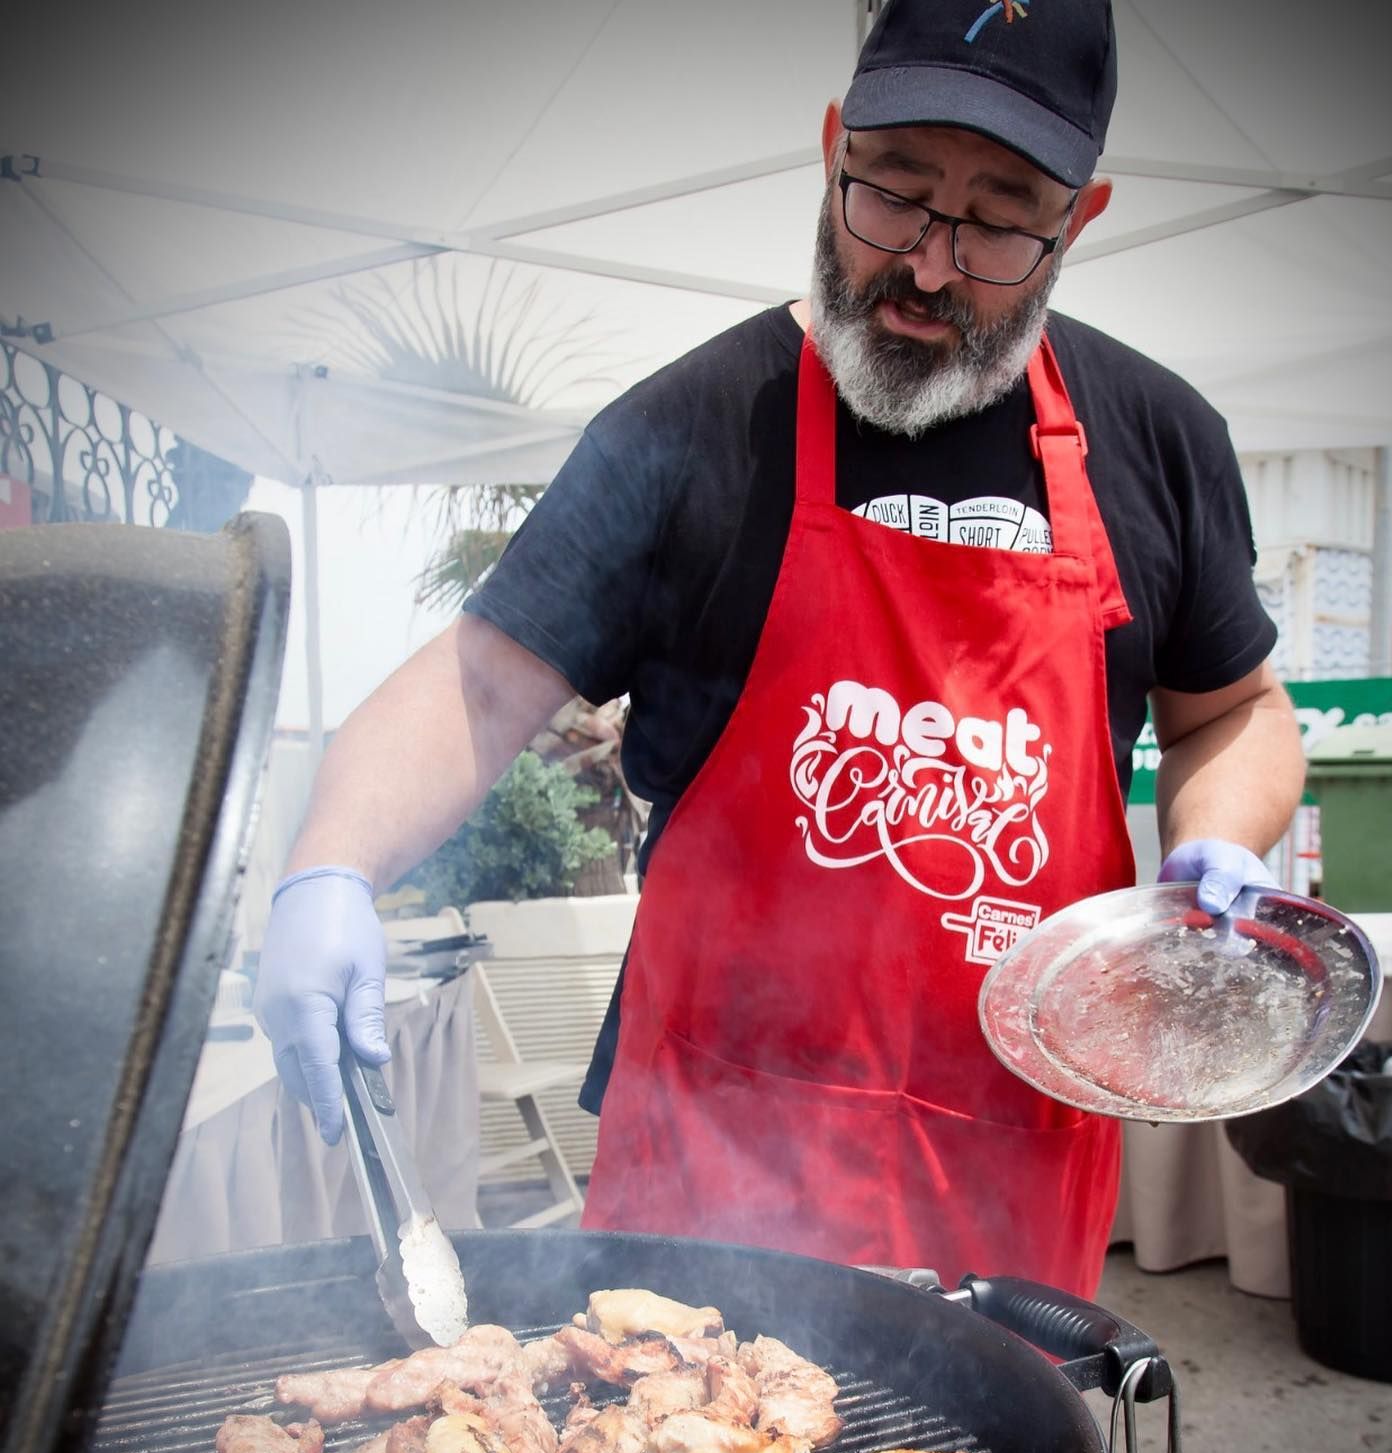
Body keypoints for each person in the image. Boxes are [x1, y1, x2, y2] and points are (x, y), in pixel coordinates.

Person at [256, 0, 1305, 1298]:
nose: (928, 264)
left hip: (1007, 1167)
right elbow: (479, 682)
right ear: (831, 150)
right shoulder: (696, 427)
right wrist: (329, 866)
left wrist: (1222, 840)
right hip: (711, 1164)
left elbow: (1235, 713)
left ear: (1077, 220)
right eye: (896, 194)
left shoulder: (1158, 441)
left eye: (996, 218)